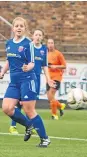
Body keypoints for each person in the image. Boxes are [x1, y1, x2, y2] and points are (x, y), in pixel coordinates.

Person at [1, 17, 50, 147]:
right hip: (14, 82)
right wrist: (2, 72)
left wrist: (29, 67)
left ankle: (45, 139)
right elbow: (9, 60)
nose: (18, 28)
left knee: (29, 110)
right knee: (6, 108)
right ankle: (28, 125)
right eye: (16, 26)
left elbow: (33, 62)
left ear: (25, 29)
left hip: (27, 80)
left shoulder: (28, 44)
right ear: (12, 28)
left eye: (21, 26)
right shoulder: (9, 43)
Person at [9, 29, 55, 134]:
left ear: (42, 37)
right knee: (18, 103)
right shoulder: (28, 47)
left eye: (40, 35)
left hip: (36, 79)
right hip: (25, 78)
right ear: (32, 36)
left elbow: (45, 66)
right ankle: (13, 126)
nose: (38, 37)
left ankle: (28, 127)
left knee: (29, 106)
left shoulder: (44, 49)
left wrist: (48, 79)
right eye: (36, 35)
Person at [47, 38, 66, 120]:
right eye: (49, 43)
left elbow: (64, 65)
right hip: (48, 77)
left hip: (56, 77)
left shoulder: (58, 54)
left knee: (51, 94)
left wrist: (56, 66)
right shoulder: (45, 54)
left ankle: (54, 115)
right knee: (49, 97)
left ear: (54, 44)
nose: (50, 45)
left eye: (52, 43)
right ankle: (60, 105)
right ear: (47, 45)